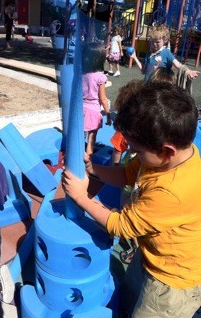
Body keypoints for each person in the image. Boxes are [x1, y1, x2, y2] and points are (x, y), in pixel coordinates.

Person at [62, 82, 201, 317]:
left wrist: (81, 197)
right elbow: (128, 174)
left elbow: (121, 226)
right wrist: (93, 170)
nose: (134, 154)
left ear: (167, 151)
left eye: (137, 151)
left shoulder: (172, 191)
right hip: (151, 256)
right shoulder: (165, 158)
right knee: (128, 297)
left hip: (171, 282)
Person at [130, 24, 200, 81]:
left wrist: (187, 71)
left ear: (165, 40)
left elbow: (177, 64)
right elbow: (143, 71)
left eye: (157, 42)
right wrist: (135, 58)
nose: (154, 44)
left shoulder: (166, 52)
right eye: (152, 41)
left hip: (160, 88)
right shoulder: (149, 54)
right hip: (147, 87)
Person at [82, 42, 112, 156]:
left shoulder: (82, 74)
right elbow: (103, 98)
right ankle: (88, 161)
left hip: (82, 108)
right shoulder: (100, 77)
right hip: (93, 110)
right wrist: (108, 114)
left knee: (81, 136)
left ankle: (78, 157)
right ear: (99, 60)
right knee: (91, 138)